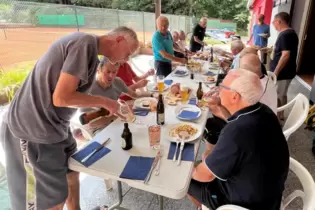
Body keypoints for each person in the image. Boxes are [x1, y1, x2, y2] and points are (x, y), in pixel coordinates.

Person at [0, 27, 139, 210]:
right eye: (128, 53)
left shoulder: (91, 54)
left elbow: (67, 98)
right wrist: (105, 102)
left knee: (73, 174)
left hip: (57, 127)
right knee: (50, 202)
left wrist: (105, 106)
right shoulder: (85, 43)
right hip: (31, 129)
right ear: (119, 39)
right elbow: (61, 98)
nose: (126, 59)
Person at [188, 69, 289, 210]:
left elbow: (204, 176)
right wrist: (218, 107)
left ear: (235, 97)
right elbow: (235, 123)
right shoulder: (263, 111)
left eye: (222, 86)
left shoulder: (237, 132)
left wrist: (189, 169)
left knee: (184, 180)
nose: (218, 90)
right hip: (268, 195)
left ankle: (204, 207)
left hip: (243, 204)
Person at [74, 57, 152, 141]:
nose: (111, 76)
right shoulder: (88, 87)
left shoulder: (117, 82)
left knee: (142, 131)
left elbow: (134, 95)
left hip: (115, 122)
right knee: (120, 140)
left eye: (114, 72)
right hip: (97, 129)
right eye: (107, 72)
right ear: (99, 70)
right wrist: (118, 114)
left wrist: (152, 95)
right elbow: (91, 124)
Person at [270, 12, 299, 120]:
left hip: (283, 73)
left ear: (279, 21)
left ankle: (278, 118)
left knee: (278, 95)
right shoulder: (289, 33)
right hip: (286, 72)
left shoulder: (286, 34)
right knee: (282, 94)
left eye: (274, 21)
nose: (273, 23)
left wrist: (276, 72)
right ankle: (280, 115)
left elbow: (286, 55)